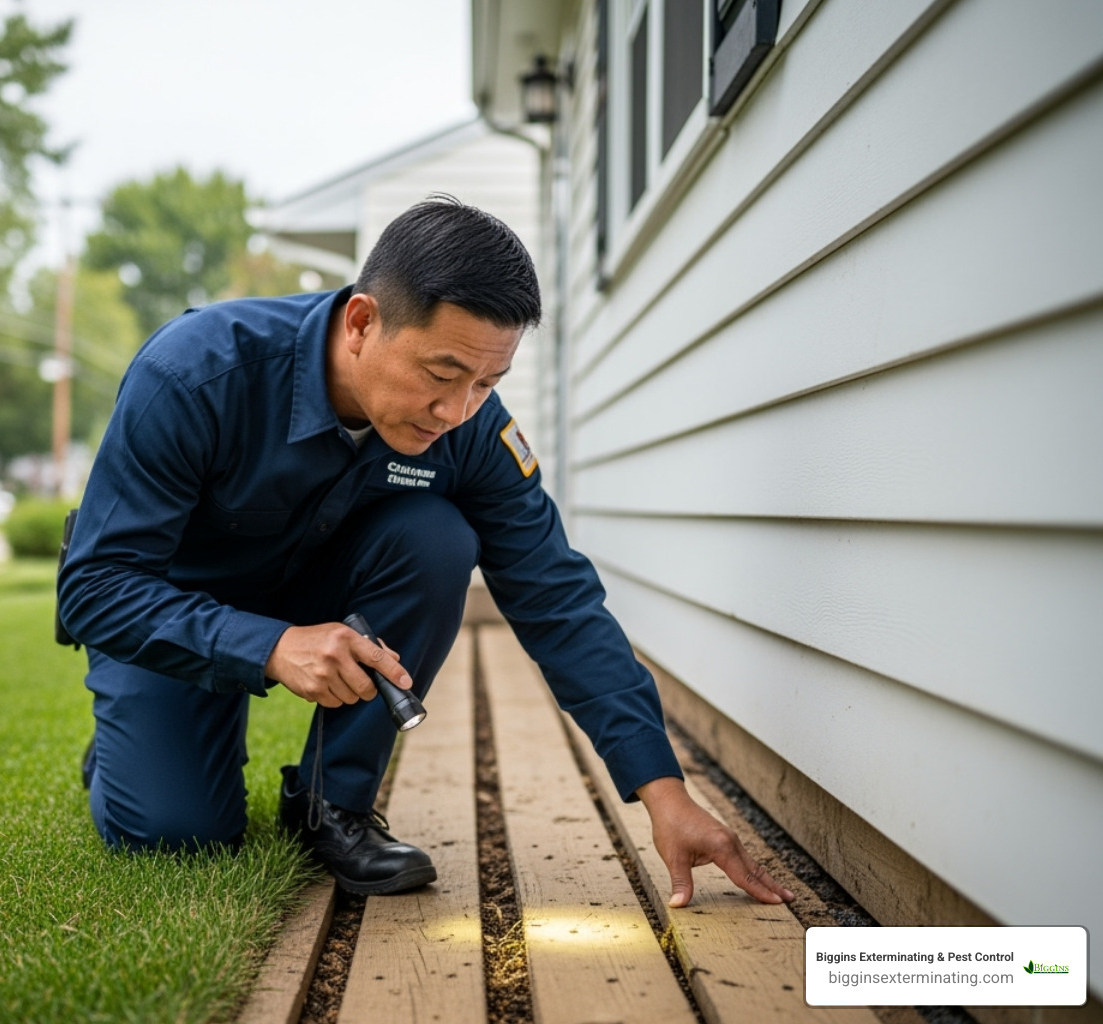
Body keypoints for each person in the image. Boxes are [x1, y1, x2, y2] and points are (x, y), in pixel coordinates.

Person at [58, 196, 794, 908]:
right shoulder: (193, 375)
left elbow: (555, 594)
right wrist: (271, 645)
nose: (458, 412)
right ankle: (128, 741)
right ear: (360, 322)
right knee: (180, 834)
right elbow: (95, 588)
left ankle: (331, 802)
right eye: (441, 376)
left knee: (438, 537)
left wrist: (663, 790)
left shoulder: (472, 424)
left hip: (314, 585)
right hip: (178, 606)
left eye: (488, 382)